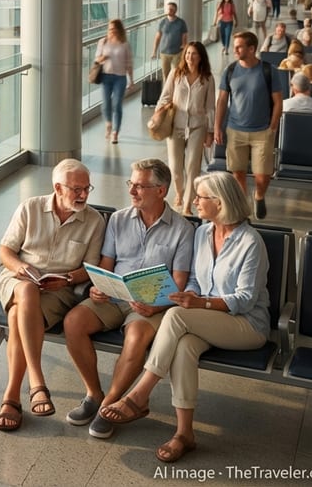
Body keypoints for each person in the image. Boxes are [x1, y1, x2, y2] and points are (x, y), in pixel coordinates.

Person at [98, 172, 269, 463]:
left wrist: (197, 304)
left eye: (201, 197)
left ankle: (140, 394)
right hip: (205, 319)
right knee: (184, 347)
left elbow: (244, 300)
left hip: (246, 325)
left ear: (220, 201)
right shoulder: (202, 232)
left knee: (176, 317)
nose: (194, 201)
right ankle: (184, 433)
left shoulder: (250, 242)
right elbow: (193, 281)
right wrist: (188, 296)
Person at [63, 159, 193, 440]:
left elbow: (179, 282)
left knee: (135, 337)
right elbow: (107, 264)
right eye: (131, 184)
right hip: (114, 295)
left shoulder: (183, 229)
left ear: (161, 191)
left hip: (154, 304)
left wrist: (155, 305)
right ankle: (94, 394)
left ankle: (109, 405)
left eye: (140, 186)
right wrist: (98, 287)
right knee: (74, 322)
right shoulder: (118, 219)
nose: (132, 191)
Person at [0, 158, 105, 432]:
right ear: (58, 187)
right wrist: (22, 267)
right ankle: (36, 380)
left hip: (60, 290)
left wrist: (67, 278)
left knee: (19, 315)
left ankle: (11, 398)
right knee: (28, 289)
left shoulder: (93, 221)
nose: (83, 195)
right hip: (18, 280)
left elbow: (90, 269)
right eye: (76, 189)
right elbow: (5, 251)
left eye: (87, 189)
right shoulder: (30, 207)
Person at [215, 31, 282, 220]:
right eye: (234, 46)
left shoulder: (268, 70)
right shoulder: (230, 71)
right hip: (235, 130)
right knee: (238, 173)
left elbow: (278, 100)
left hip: (262, 132)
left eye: (239, 46)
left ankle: (259, 195)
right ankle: (243, 208)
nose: (234, 49)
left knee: (262, 176)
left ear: (251, 49)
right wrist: (218, 126)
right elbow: (222, 100)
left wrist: (273, 126)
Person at [155, 42, 215, 215]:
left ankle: (188, 205)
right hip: (176, 125)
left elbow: (211, 106)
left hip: (198, 126)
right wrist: (158, 114)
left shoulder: (207, 78)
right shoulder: (176, 74)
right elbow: (165, 96)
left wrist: (210, 131)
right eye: (188, 53)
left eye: (194, 54)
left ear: (201, 56)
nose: (190, 57)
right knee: (175, 168)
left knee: (192, 167)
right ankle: (180, 192)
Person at [95, 19, 133, 144]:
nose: (111, 31)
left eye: (114, 28)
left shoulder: (124, 44)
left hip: (120, 77)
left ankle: (115, 132)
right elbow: (97, 60)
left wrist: (131, 80)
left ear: (119, 29)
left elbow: (129, 63)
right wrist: (103, 58)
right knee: (106, 104)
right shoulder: (103, 42)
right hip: (106, 76)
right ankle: (108, 124)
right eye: (110, 28)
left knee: (117, 104)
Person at [152, 2, 188, 81]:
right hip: (164, 52)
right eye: (168, 9)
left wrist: (184, 44)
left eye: (172, 9)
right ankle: (167, 91)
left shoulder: (181, 22)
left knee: (176, 73)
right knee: (166, 74)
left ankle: (176, 90)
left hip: (177, 52)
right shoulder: (162, 22)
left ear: (175, 10)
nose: (170, 10)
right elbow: (157, 37)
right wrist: (154, 52)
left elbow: (184, 35)